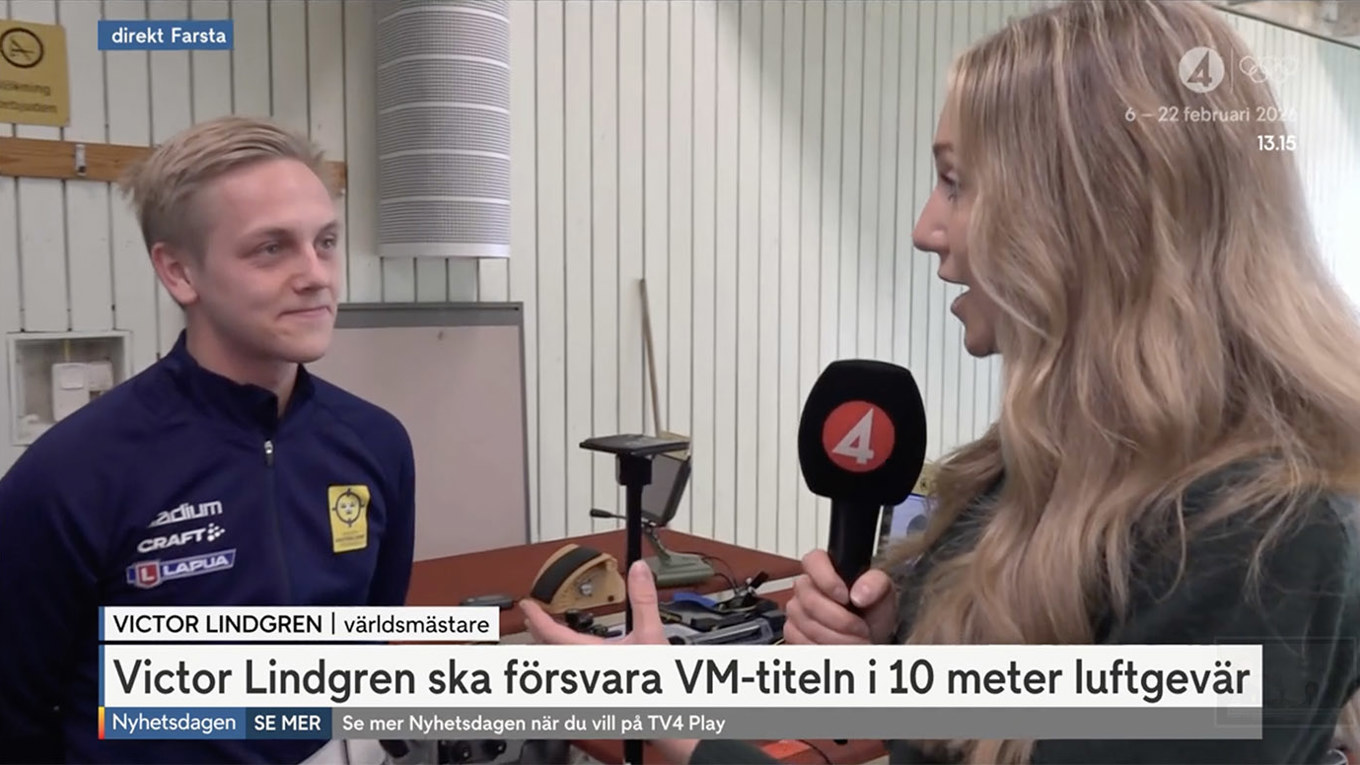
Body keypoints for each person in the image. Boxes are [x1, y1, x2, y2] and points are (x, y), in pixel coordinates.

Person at [522, 1, 1360, 763]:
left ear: (1094, 217)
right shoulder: (1037, 469)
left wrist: (675, 727)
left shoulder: (1264, 540)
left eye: (956, 182)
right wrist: (903, 648)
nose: (927, 227)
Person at [0, 116, 417, 764]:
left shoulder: (375, 444)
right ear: (179, 272)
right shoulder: (69, 478)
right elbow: (14, 719)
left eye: (326, 241)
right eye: (271, 248)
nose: (316, 274)